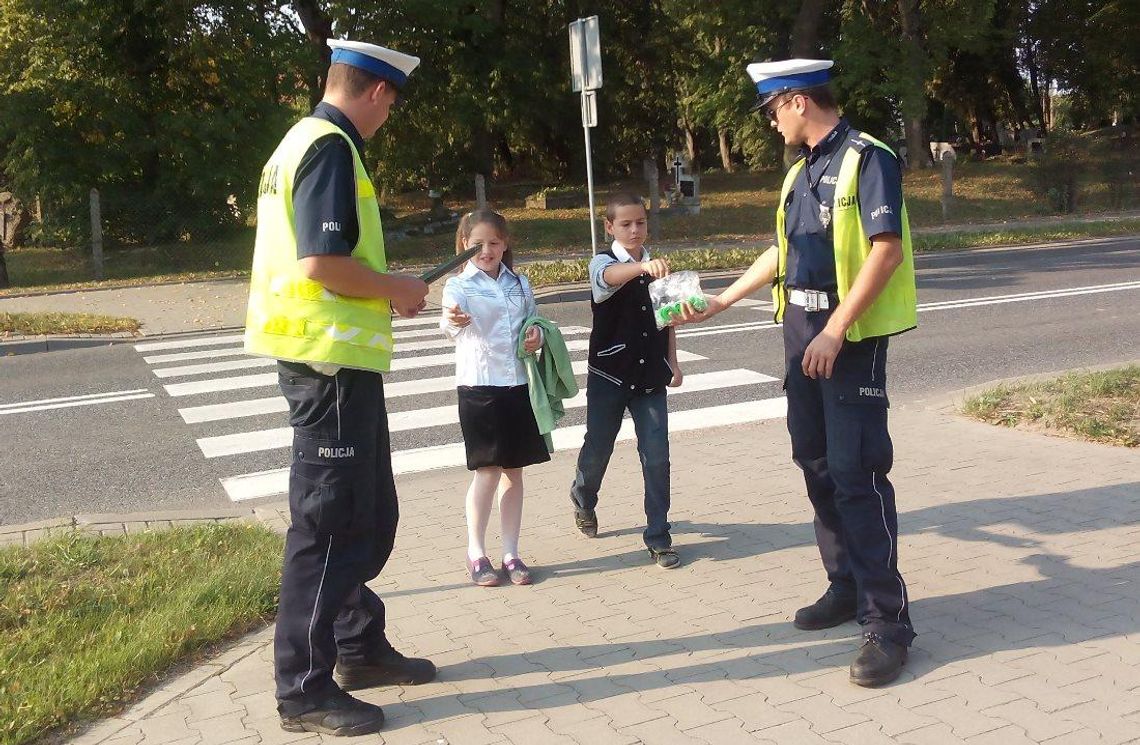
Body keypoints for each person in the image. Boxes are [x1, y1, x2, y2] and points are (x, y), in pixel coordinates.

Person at [676, 59, 918, 686]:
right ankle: (844, 586)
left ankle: (886, 623)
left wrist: (837, 329)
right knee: (814, 466)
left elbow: (884, 250)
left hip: (849, 341)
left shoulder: (870, 159)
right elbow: (783, 253)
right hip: (801, 337)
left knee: (856, 474)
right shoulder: (798, 173)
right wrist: (724, 300)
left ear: (796, 102)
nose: (769, 122)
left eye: (770, 109)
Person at [243, 39, 436, 737]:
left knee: (368, 512)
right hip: (326, 368)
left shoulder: (298, 141)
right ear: (379, 93)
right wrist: (396, 288)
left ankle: (357, 645)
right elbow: (323, 262)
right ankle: (302, 689)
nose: (389, 117)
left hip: (335, 365)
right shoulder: (329, 145)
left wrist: (383, 294)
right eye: (393, 104)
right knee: (328, 529)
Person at [570, 193, 684, 569]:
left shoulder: (658, 267)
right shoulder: (603, 262)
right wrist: (642, 268)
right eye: (626, 224)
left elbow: (667, 318)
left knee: (657, 456)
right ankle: (584, 497)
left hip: (650, 376)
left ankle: (658, 536)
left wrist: (673, 363)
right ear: (610, 227)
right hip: (609, 374)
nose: (635, 230)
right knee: (598, 447)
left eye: (640, 223)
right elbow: (608, 278)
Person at [440, 209, 549, 587]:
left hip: (517, 385)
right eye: (477, 245)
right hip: (479, 386)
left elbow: (534, 324)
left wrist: (536, 337)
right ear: (463, 246)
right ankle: (476, 553)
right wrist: (453, 320)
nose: (486, 251)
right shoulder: (458, 286)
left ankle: (512, 553)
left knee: (513, 473)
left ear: (505, 245)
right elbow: (448, 320)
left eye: (493, 243)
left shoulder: (519, 283)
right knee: (486, 472)